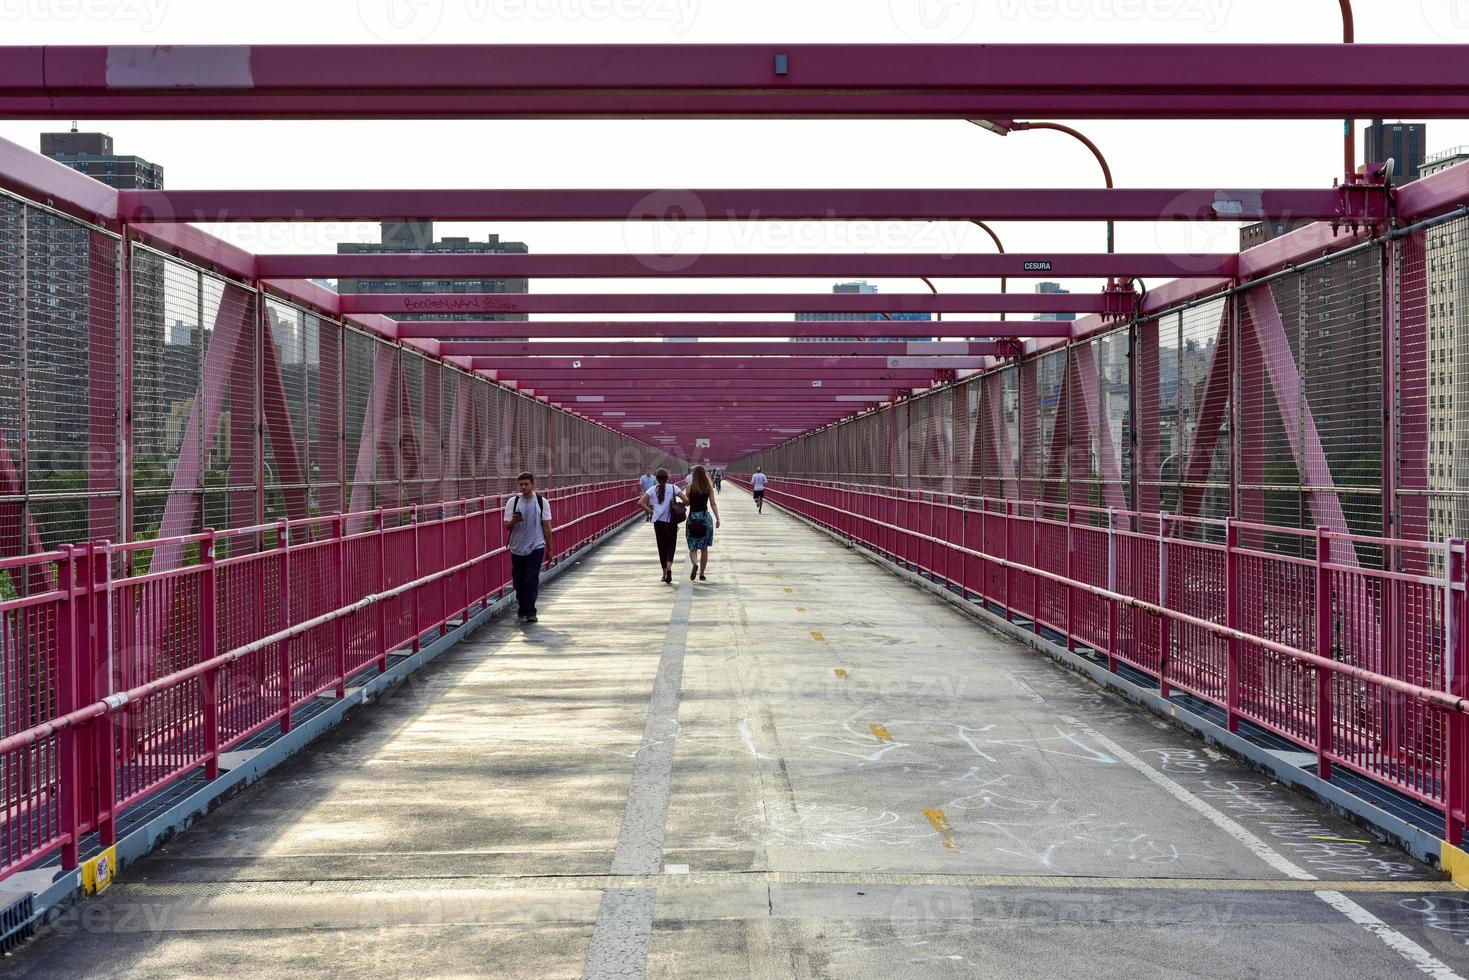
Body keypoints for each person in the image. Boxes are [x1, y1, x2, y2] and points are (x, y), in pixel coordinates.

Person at [503, 471, 553, 623]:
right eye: (521, 484)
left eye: (526, 484)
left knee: (532, 577)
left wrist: (549, 549)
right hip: (517, 548)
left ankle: (531, 611)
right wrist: (514, 521)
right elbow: (507, 526)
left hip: (536, 545)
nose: (523, 487)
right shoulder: (513, 502)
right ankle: (522, 606)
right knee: (518, 579)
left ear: (533, 484)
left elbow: (547, 526)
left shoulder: (541, 502)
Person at [640, 468, 687, 584]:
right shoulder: (673, 487)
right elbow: (686, 500)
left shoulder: (652, 489)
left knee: (661, 547)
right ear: (668, 478)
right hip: (671, 521)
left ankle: (664, 573)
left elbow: (640, 503)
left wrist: (652, 512)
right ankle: (669, 565)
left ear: (656, 478)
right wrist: (679, 505)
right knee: (671, 546)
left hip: (658, 522)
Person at [684, 465, 721, 581]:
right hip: (705, 519)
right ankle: (702, 573)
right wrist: (717, 518)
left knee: (693, 547)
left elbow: (687, 504)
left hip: (693, 518)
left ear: (693, 475)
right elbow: (713, 503)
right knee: (704, 548)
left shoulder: (689, 488)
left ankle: (695, 563)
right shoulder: (708, 488)